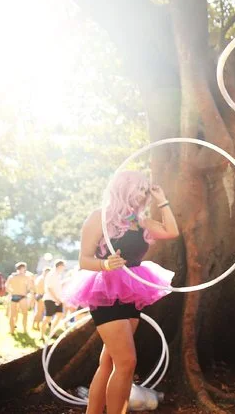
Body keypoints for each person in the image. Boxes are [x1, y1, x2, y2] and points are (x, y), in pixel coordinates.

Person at [65, 171, 178, 414]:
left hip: (132, 291)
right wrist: (105, 264)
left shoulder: (140, 221)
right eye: (139, 189)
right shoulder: (99, 218)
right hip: (105, 291)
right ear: (124, 188)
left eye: (145, 190)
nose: (142, 194)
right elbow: (84, 260)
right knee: (127, 362)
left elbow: (171, 231)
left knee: (109, 363)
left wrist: (162, 199)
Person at [41, 260, 67, 340]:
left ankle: (52, 333)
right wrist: (56, 299)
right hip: (50, 299)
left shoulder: (58, 275)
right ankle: (41, 335)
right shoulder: (51, 274)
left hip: (58, 299)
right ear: (60, 266)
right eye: (63, 266)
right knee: (47, 318)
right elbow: (49, 288)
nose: (64, 268)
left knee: (59, 315)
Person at [5, 262, 32, 334]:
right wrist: (11, 292)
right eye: (23, 268)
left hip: (19, 296)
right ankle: (15, 330)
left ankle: (21, 329)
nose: (23, 270)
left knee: (22, 314)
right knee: (16, 314)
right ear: (21, 268)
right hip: (18, 296)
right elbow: (7, 286)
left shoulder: (24, 276)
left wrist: (11, 291)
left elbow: (6, 286)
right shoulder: (14, 276)